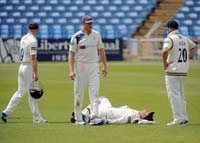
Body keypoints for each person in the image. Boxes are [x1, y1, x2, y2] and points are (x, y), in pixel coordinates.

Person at [1, 23, 47, 123]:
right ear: (36, 30)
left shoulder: (24, 38)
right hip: (28, 68)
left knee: (20, 92)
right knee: (33, 93)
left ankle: (6, 112)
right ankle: (37, 118)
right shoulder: (33, 41)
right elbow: (33, 58)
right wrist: (35, 73)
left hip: (21, 67)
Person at [68, 16, 108, 125]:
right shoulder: (76, 37)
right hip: (80, 66)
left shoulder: (96, 35)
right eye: (88, 23)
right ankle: (78, 118)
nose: (90, 25)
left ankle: (94, 117)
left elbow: (101, 50)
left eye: (91, 23)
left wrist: (105, 65)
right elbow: (71, 55)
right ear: (83, 23)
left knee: (95, 92)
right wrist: (71, 71)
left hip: (94, 66)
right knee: (79, 93)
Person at [161, 20, 197, 126]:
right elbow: (194, 47)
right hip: (183, 70)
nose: (167, 30)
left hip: (173, 71)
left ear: (170, 28)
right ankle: (183, 118)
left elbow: (164, 51)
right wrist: (187, 59)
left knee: (174, 95)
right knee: (180, 94)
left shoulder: (169, 39)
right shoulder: (184, 38)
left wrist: (165, 64)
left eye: (167, 28)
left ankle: (178, 119)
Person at [70, 96, 156, 125]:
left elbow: (142, 122)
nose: (145, 109)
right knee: (99, 101)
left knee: (102, 98)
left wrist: (149, 121)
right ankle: (83, 116)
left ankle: (82, 115)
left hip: (106, 112)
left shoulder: (135, 117)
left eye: (147, 112)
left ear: (144, 116)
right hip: (105, 113)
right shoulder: (135, 113)